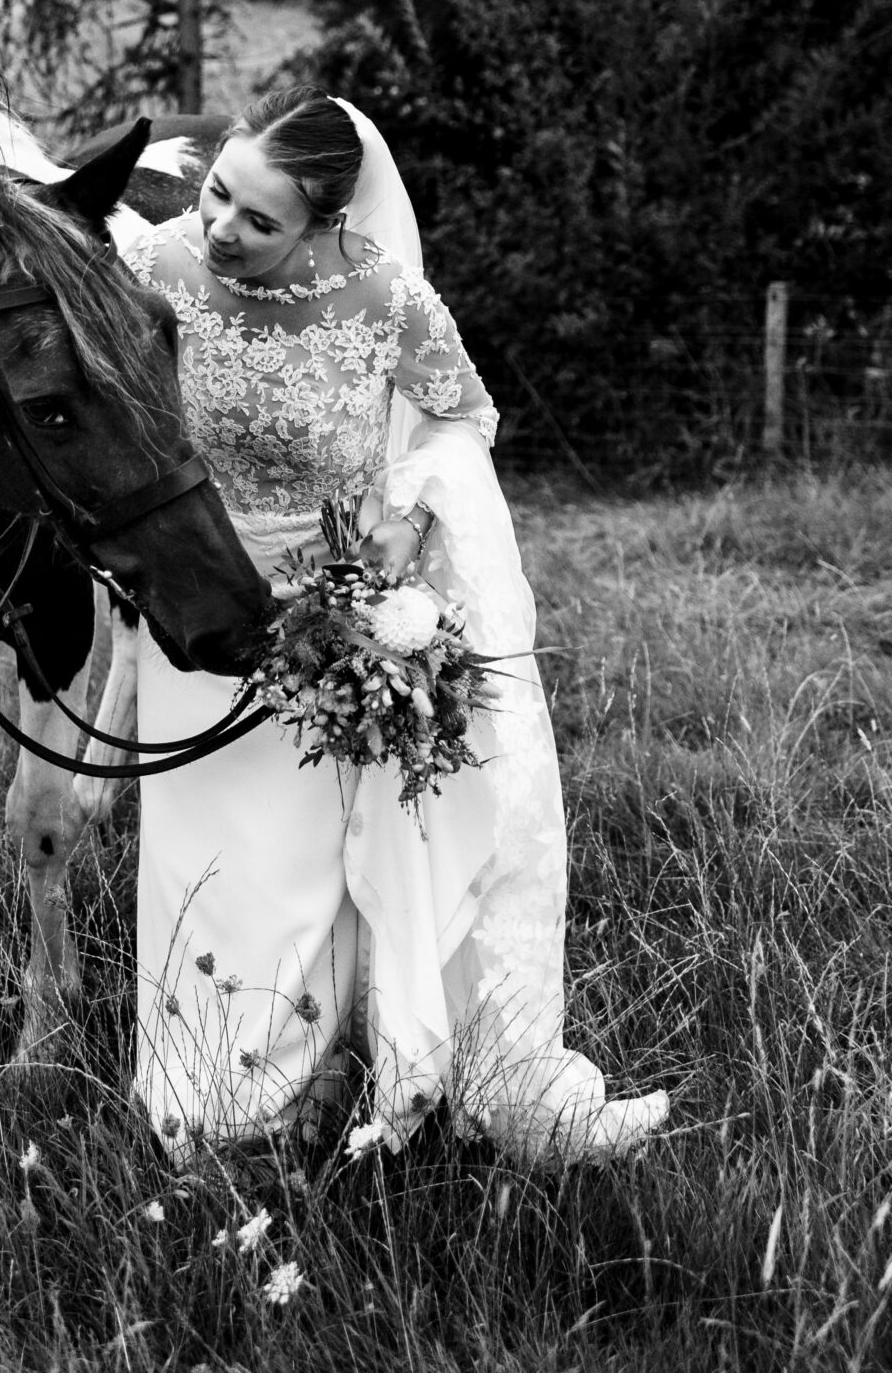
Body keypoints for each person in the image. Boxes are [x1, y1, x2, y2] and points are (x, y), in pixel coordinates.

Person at [119, 84, 668, 1167]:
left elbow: (466, 412)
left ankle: (313, 1086)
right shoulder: (157, 266)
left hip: (325, 617)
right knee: (205, 862)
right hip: (188, 606)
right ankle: (208, 1105)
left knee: (310, 862)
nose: (221, 227)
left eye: (259, 220)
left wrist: (410, 520)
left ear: (326, 223)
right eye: (220, 193)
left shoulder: (383, 296)